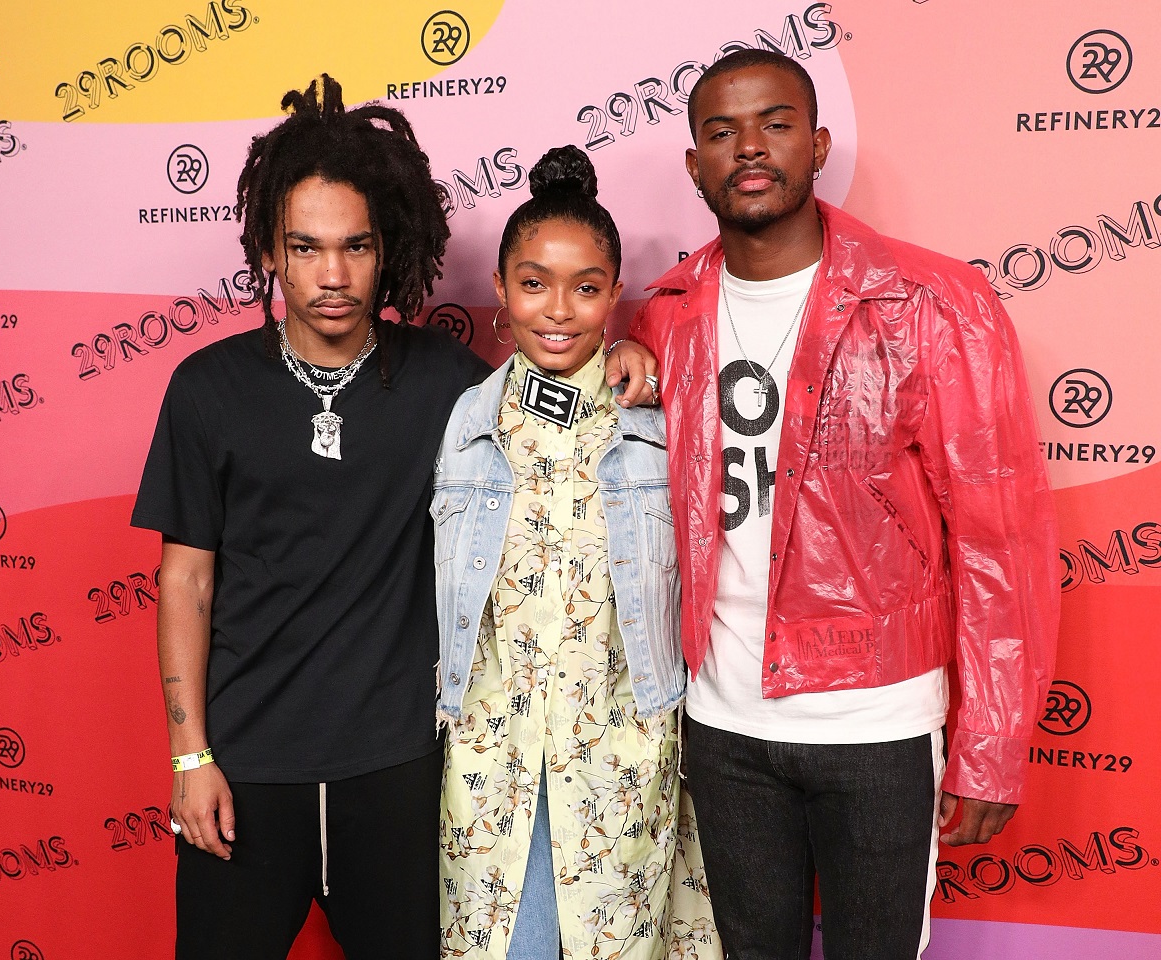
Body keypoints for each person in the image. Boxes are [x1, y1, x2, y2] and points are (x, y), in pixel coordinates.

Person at [132, 76, 659, 960]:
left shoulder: (448, 385)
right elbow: (184, 575)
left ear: (390, 250)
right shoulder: (206, 389)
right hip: (249, 770)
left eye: (356, 247)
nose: (332, 275)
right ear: (270, 250)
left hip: (403, 773)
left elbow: (556, 378)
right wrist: (191, 759)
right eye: (305, 248)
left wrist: (632, 347)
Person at [628, 50, 1059, 960]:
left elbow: (1000, 537)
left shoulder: (935, 303)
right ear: (695, 162)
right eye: (720, 131)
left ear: (818, 144)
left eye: (775, 124)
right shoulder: (667, 313)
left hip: (877, 722)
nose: (749, 148)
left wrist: (990, 744)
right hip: (721, 719)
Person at [433, 146, 717, 960]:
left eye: (586, 287)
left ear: (614, 294)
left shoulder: (657, 422)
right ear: (499, 287)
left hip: (621, 768)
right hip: (492, 771)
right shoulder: (462, 427)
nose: (558, 310)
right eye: (533, 283)